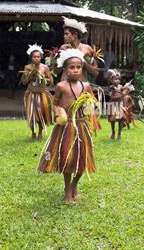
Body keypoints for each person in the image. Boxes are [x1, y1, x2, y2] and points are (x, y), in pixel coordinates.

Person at [38, 49, 99, 203]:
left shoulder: (86, 86)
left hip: (81, 126)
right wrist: (58, 111)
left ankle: (73, 185)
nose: (76, 70)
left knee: (82, 158)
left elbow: (91, 104)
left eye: (78, 67)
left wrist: (90, 109)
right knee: (68, 158)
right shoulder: (61, 86)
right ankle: (67, 189)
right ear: (65, 69)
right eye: (72, 67)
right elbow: (55, 103)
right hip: (66, 127)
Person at [20, 44, 54, 140]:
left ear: (41, 57)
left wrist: (42, 78)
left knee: (41, 113)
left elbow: (51, 82)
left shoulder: (45, 68)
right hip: (31, 93)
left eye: (38, 57)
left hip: (42, 94)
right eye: (34, 57)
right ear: (31, 58)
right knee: (32, 114)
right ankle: (33, 133)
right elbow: (23, 82)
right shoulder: (27, 68)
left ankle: (40, 132)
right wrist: (29, 77)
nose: (36, 58)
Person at [56, 17, 100, 82]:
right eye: (64, 34)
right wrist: (59, 59)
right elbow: (56, 71)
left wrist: (84, 62)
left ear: (75, 35)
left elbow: (95, 73)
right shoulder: (63, 48)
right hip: (65, 84)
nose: (64, 36)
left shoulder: (87, 49)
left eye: (67, 34)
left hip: (82, 84)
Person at [106, 69, 124, 140]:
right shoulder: (111, 88)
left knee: (120, 119)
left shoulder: (121, 87)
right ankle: (113, 132)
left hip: (120, 105)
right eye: (115, 79)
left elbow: (123, 95)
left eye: (118, 79)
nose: (117, 81)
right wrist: (113, 90)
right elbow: (111, 96)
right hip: (113, 105)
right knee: (112, 120)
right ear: (111, 80)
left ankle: (119, 133)